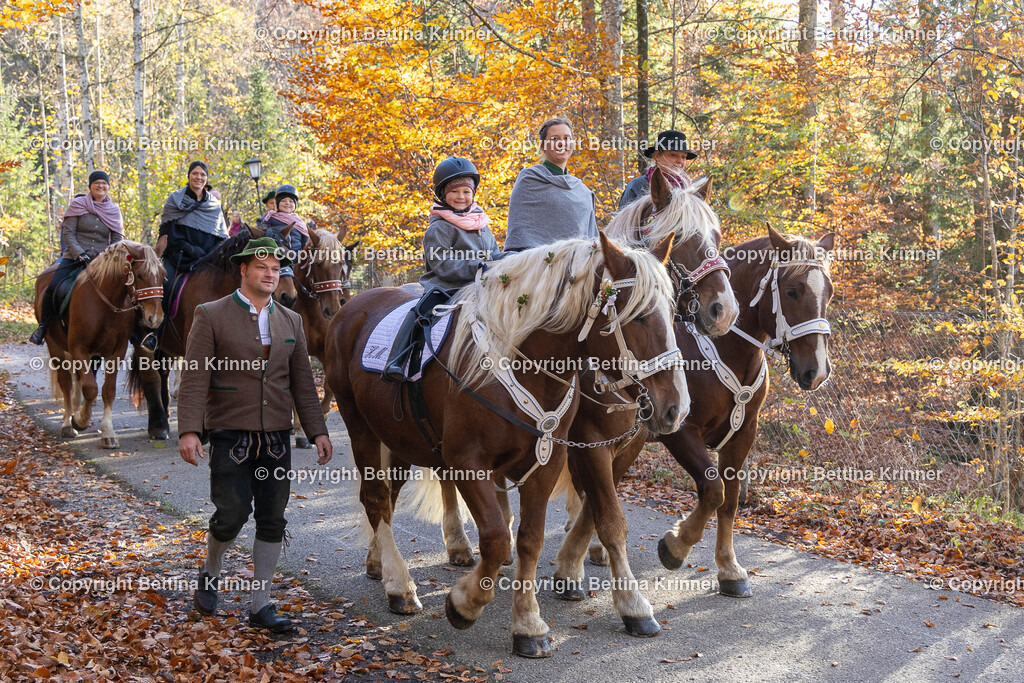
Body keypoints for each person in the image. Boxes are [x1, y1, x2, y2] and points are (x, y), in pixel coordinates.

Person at [176, 236, 333, 632]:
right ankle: (211, 569)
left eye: (275, 268)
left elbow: (302, 382)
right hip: (231, 432)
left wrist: (317, 430)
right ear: (243, 270)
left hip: (277, 435)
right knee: (231, 514)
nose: (269, 273)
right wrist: (190, 430)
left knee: (272, 519)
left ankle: (261, 604)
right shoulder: (210, 314)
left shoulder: (291, 319)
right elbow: (194, 377)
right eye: (261, 267)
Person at [383, 157, 498, 382]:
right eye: (455, 192)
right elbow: (444, 265)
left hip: (481, 283)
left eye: (466, 191)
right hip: (446, 287)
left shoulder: (482, 225)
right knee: (421, 311)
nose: (461, 197)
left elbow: (494, 254)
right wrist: (480, 267)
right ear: (442, 194)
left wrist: (510, 259)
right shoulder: (439, 227)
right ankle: (397, 359)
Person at [30, 170, 124, 345]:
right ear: (90, 186)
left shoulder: (114, 210)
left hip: (103, 261)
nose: (100, 186)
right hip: (74, 257)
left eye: (104, 183)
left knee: (129, 287)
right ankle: (43, 327)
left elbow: (118, 238)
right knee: (53, 287)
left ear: (108, 187)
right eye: (97, 183)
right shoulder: (78, 204)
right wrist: (79, 253)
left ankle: (134, 332)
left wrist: (106, 257)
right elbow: (69, 233)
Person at [503, 117, 598, 253]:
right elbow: (520, 234)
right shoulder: (529, 180)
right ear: (543, 146)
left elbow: (591, 239)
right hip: (536, 265)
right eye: (554, 139)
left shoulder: (583, 191)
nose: (561, 143)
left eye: (566, 138)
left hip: (578, 267)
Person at [618, 129, 697, 209]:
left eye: (683, 157)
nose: (680, 161)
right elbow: (622, 220)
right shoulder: (637, 186)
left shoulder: (689, 190)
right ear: (657, 156)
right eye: (673, 155)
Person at [259, 184, 308, 281]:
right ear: (277, 204)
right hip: (278, 257)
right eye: (283, 201)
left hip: (297, 260)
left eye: (290, 201)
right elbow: (262, 231)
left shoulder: (300, 223)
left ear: (295, 205)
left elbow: (305, 242)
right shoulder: (270, 217)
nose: (287, 203)